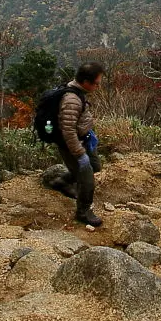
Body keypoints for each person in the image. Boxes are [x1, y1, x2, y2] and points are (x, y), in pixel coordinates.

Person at [55, 62, 105, 226]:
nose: (98, 86)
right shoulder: (72, 100)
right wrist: (80, 154)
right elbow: (68, 131)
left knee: (95, 165)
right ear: (86, 82)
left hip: (83, 138)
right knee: (87, 178)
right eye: (96, 83)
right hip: (72, 144)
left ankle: (63, 182)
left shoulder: (79, 91)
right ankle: (83, 212)